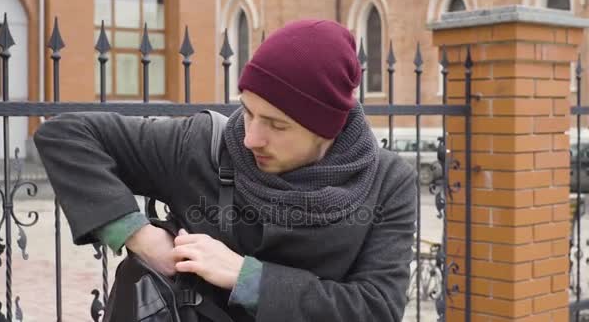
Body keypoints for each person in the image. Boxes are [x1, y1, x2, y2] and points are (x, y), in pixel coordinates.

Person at [34, 19, 417, 321]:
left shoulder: (387, 183)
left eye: (276, 125)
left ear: (327, 128)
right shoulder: (204, 145)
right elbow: (67, 135)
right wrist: (139, 236)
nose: (251, 138)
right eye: (248, 112)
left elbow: (376, 309)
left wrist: (247, 278)